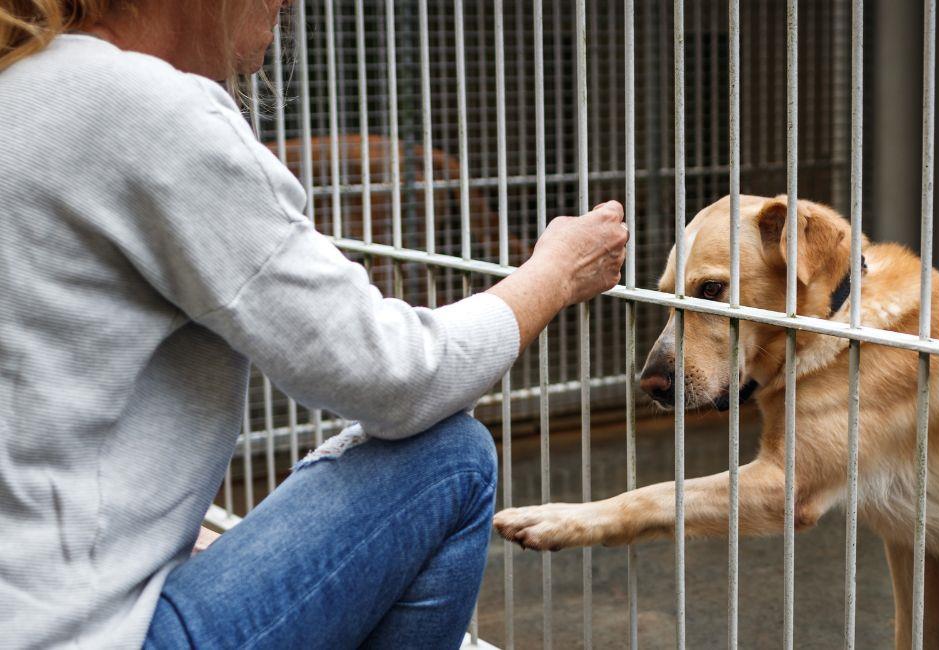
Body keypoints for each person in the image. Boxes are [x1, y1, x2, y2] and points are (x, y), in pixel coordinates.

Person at [0, 1, 628, 647]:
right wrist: (553, 274)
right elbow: (393, 378)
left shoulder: (21, 86)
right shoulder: (140, 107)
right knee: (450, 459)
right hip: (88, 634)